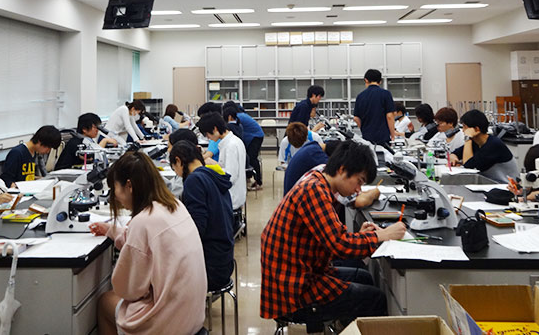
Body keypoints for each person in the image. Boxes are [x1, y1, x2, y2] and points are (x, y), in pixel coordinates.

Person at [260, 141, 407, 328]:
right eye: (359, 181)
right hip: (293, 292)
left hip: (299, 275)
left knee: (363, 277)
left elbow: (332, 235)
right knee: (375, 299)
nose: (358, 190)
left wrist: (361, 236)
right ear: (342, 170)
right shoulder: (314, 191)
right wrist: (382, 235)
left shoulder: (318, 180)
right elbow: (340, 245)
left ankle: (344, 327)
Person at [90, 152, 207, 335]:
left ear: (129, 186)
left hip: (168, 324)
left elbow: (128, 290)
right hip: (193, 316)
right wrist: (110, 230)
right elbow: (146, 242)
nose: (116, 196)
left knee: (105, 302)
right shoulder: (174, 205)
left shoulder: (143, 221)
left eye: (115, 188)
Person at [169, 140, 234, 291]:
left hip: (210, 268)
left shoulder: (194, 180)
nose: (177, 174)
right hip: (224, 261)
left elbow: (197, 229)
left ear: (178, 161)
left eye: (174, 169)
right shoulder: (212, 174)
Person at [450, 110, 518, 183]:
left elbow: (468, 166)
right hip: (490, 183)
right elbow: (455, 153)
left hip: (504, 185)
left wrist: (467, 138)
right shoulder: (475, 143)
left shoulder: (493, 145)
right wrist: (453, 158)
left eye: (465, 127)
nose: (463, 130)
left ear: (477, 129)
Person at [197, 112, 247, 210]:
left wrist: (213, 166)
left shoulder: (231, 145)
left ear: (215, 129)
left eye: (207, 134)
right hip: (232, 194)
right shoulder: (230, 142)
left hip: (231, 197)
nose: (208, 137)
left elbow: (230, 177)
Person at [224, 101, 265, 190]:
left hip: (256, 136)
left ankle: (258, 181)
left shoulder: (238, 117)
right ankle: (249, 178)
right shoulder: (240, 115)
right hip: (253, 136)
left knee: (252, 158)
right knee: (248, 157)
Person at [353, 69, 396, 146]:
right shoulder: (386, 94)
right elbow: (389, 116)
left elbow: (356, 118)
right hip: (383, 137)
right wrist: (392, 135)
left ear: (366, 80)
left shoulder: (360, 96)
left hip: (367, 137)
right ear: (380, 81)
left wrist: (364, 129)